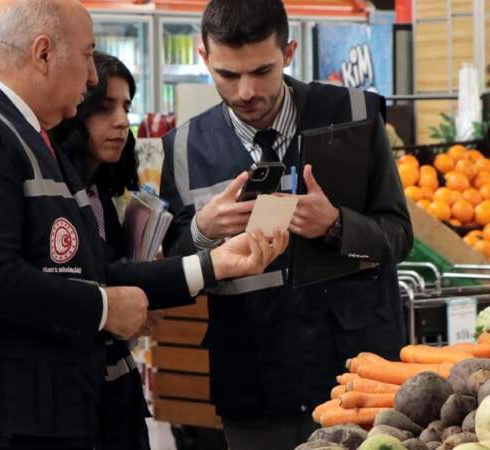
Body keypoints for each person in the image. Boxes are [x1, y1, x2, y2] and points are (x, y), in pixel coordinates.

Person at [0, 1, 288, 449]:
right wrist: (103, 308)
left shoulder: (29, 138)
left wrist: (214, 266)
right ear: (42, 54)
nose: (93, 77)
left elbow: (90, 269)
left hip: (33, 410)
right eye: (86, 55)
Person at [159, 0, 413, 448]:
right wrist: (202, 230)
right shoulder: (182, 150)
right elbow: (174, 267)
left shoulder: (355, 114)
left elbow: (399, 235)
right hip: (254, 390)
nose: (245, 92)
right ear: (203, 57)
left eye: (261, 71)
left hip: (359, 383)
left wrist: (336, 226)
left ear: (289, 52)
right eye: (227, 75)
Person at [50, 51, 150, 450]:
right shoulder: (59, 194)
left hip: (117, 387)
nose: (122, 121)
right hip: (75, 392)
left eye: (126, 107)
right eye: (105, 108)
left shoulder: (101, 192)